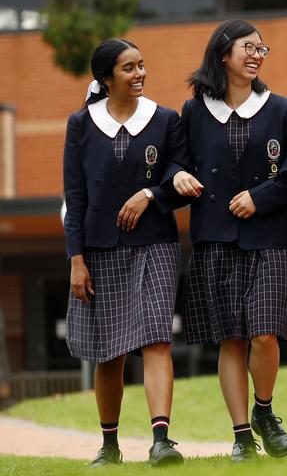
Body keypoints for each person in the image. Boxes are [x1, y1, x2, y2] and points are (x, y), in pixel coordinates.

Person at [171, 19, 287, 463]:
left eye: (262, 49)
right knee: (231, 339)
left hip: (270, 236)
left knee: (265, 335)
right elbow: (176, 163)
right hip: (215, 237)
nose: (257, 55)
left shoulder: (284, 110)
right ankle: (241, 436)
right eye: (248, 47)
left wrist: (263, 196)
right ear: (223, 54)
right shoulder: (194, 110)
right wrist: (175, 174)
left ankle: (264, 411)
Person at [63, 38, 188, 468]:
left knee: (155, 336)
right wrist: (76, 260)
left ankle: (161, 440)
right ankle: (109, 445)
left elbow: (179, 174)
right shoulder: (80, 124)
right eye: (129, 68)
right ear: (105, 78)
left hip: (155, 243)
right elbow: (75, 197)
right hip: (98, 250)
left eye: (141, 65)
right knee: (109, 351)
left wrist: (150, 193)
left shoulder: (166, 119)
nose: (140, 74)